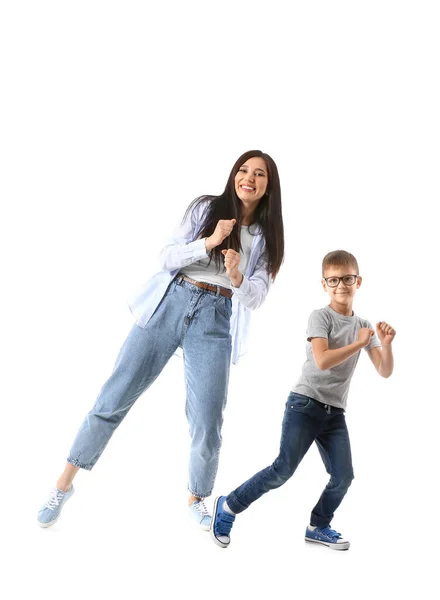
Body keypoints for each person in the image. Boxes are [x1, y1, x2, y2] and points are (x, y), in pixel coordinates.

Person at [37, 150, 285, 530]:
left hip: (215, 318)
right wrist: (209, 242)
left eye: (259, 174)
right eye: (243, 170)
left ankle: (197, 497)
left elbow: (257, 295)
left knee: (207, 419)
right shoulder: (206, 208)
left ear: (269, 187)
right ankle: (63, 485)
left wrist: (236, 276)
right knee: (113, 397)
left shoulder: (267, 237)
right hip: (170, 303)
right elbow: (166, 256)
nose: (248, 178)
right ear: (234, 174)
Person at [210, 250, 396, 550]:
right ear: (324, 284)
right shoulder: (320, 317)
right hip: (305, 404)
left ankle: (318, 525)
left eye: (347, 279)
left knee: (343, 476)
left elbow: (384, 370)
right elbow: (322, 360)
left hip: (334, 413)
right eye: (333, 280)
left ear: (358, 281)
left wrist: (384, 345)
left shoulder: (363, 325)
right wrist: (359, 343)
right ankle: (229, 506)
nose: (341, 286)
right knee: (282, 469)